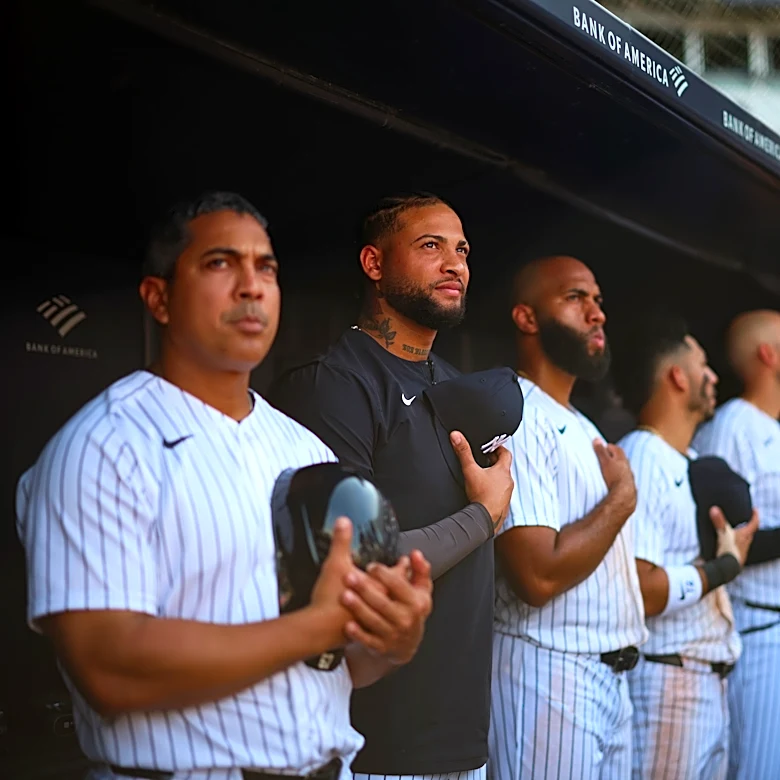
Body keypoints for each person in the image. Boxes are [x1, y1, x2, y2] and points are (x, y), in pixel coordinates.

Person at [15, 191, 433, 780]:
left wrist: (392, 639)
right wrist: (312, 627)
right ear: (158, 298)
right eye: (220, 263)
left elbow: (339, 662)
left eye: (266, 268)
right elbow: (109, 672)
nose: (250, 286)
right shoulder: (103, 445)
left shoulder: (306, 450)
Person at [268, 192, 514, 780]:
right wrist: (482, 517)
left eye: (462, 250)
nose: (455, 264)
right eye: (431, 247)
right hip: (380, 738)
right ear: (374, 264)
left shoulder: (458, 386)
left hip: (463, 733)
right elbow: (355, 563)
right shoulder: (336, 383)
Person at [488, 255, 647, 780]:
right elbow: (536, 575)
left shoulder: (580, 421)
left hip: (608, 677)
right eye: (576, 297)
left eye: (597, 300)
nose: (597, 313)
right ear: (526, 318)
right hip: (549, 672)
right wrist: (621, 498)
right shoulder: (518, 410)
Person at [611, 313, 757, 780]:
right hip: (667, 679)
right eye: (703, 365)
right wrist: (725, 566)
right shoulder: (644, 454)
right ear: (677, 375)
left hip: (707, 679)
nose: (713, 376)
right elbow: (642, 589)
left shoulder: (687, 459)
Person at [693, 309, 780, 780]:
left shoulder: (772, 428)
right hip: (754, 630)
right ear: (767, 353)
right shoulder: (733, 424)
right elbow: (717, 536)